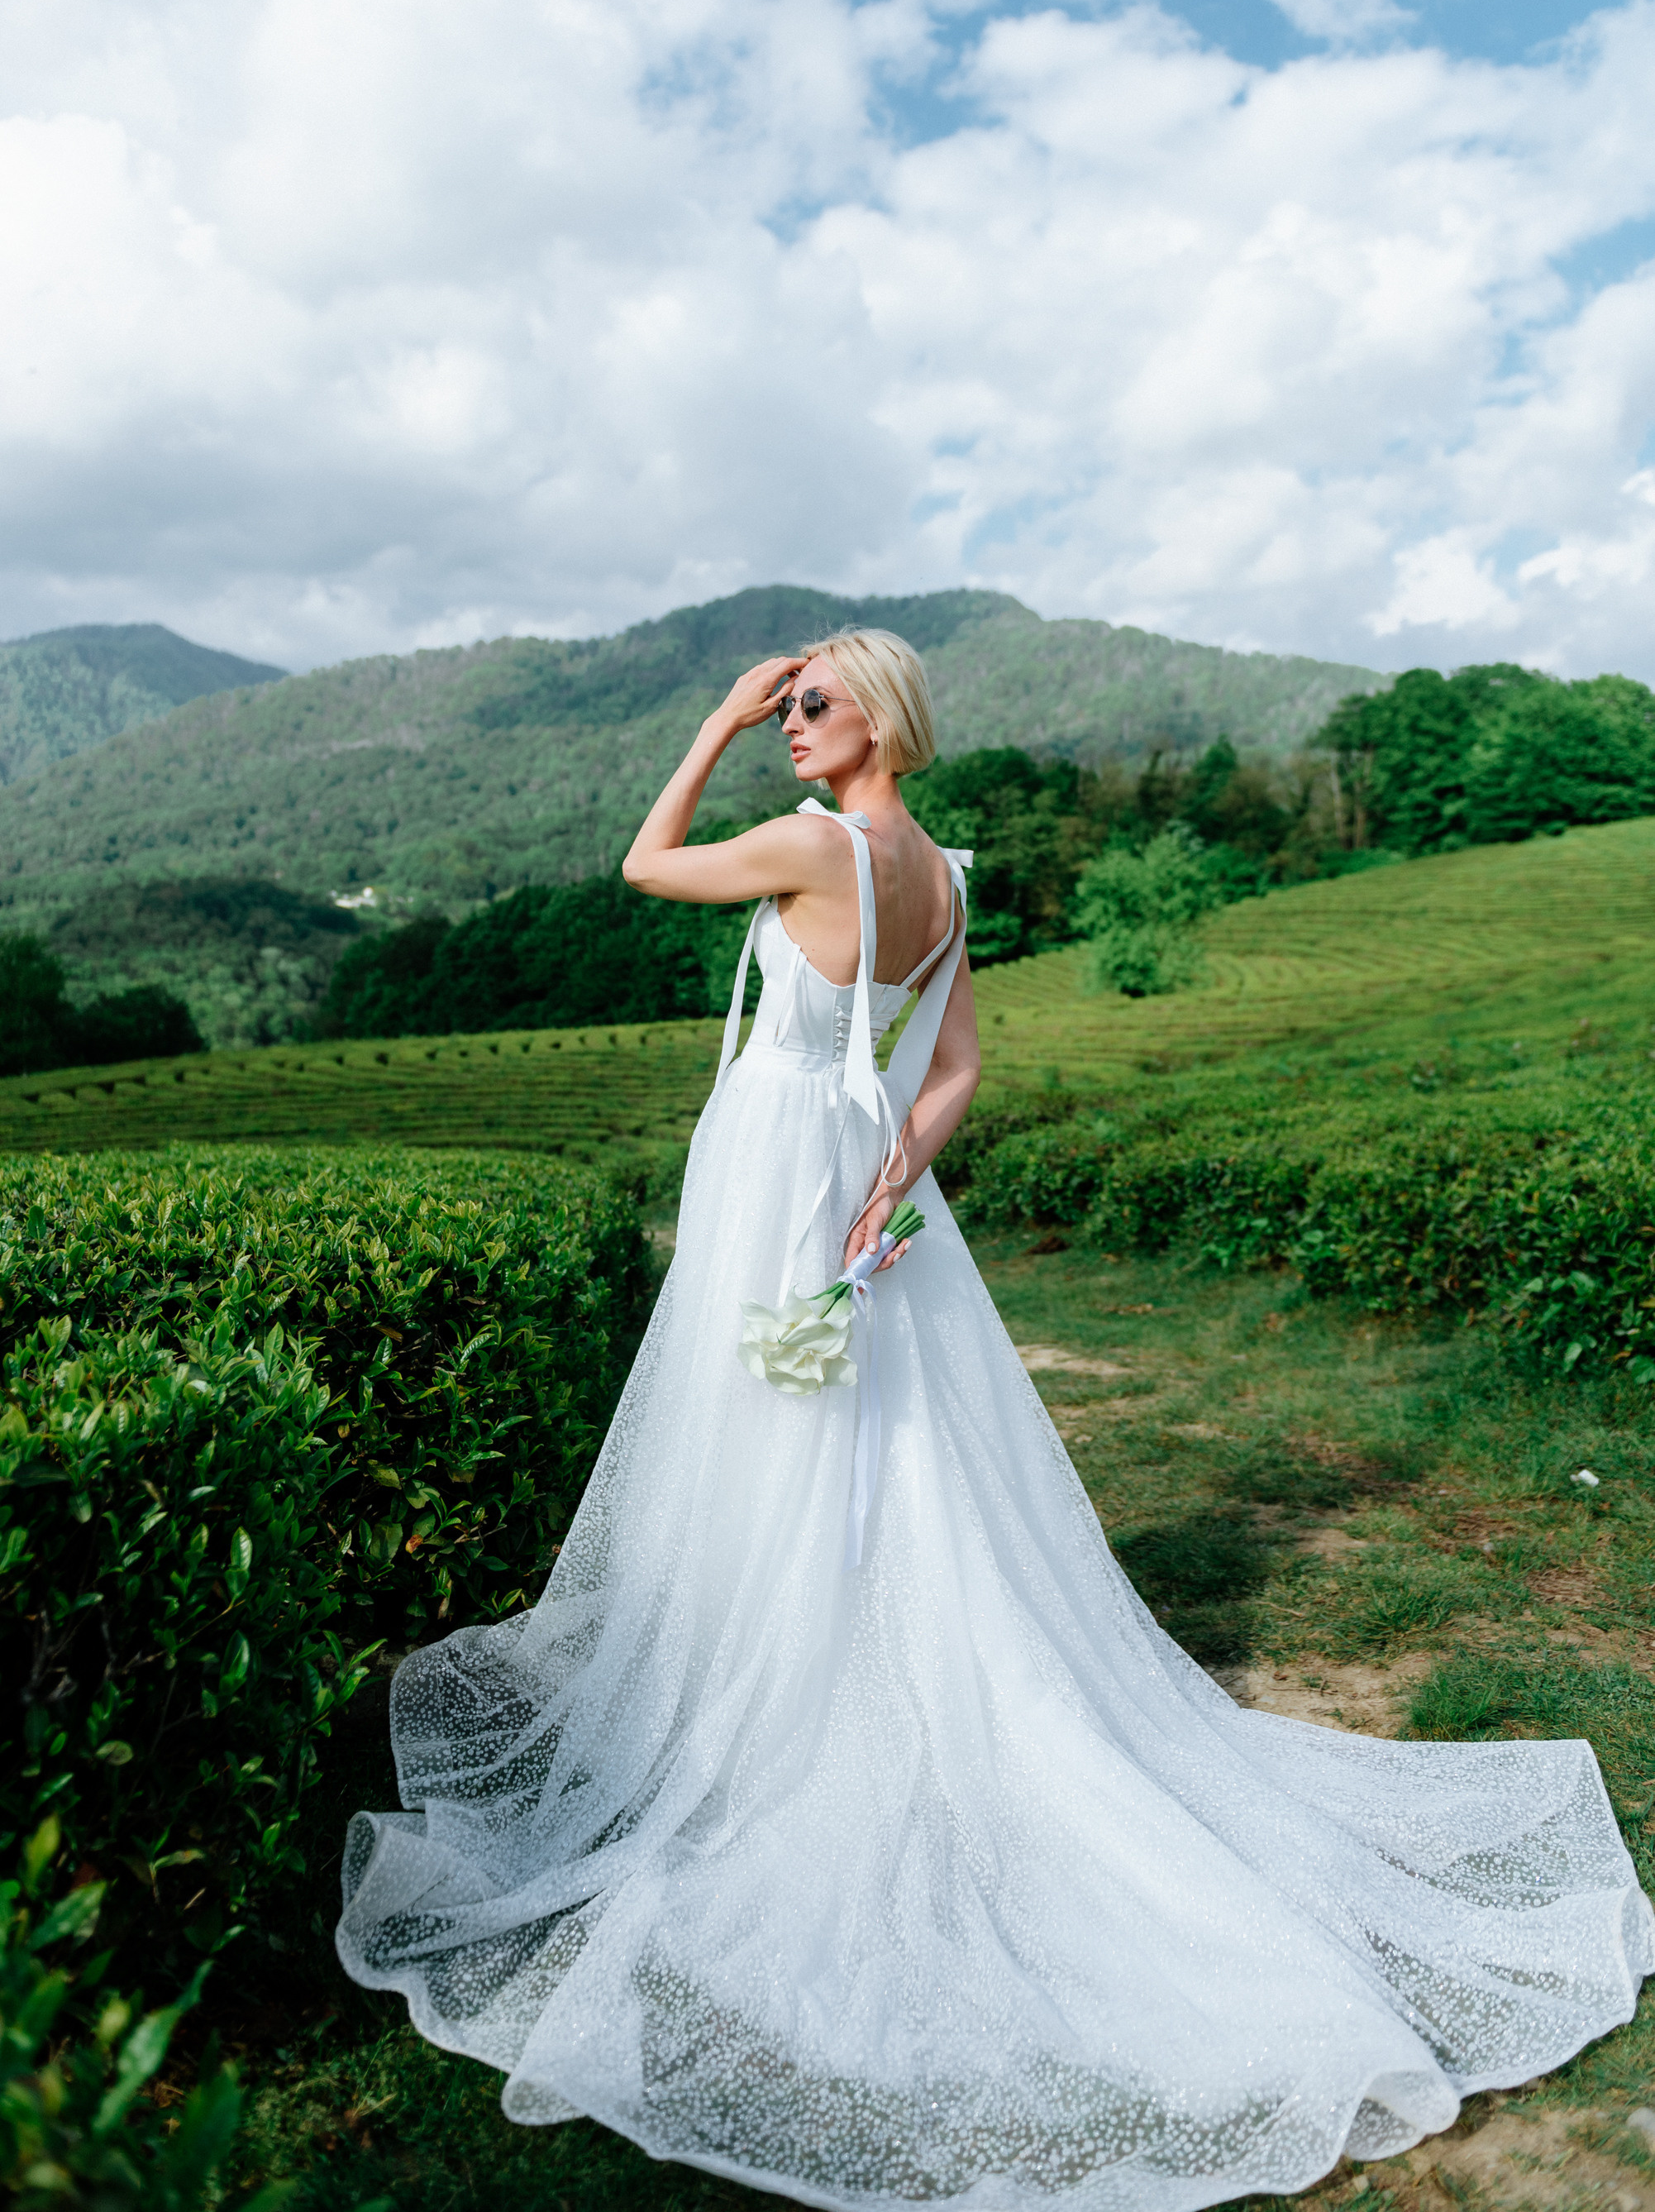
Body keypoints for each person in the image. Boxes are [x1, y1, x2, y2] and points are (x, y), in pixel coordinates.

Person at [337, 628, 1653, 2212]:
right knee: (888, 1440)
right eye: (778, 708)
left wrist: (708, 715)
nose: (786, 726)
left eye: (807, 705)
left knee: (776, 1427)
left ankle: (780, 1697)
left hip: (772, 1167)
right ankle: (839, 1651)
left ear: (873, 717)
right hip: (864, 1171)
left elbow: (639, 862)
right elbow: (953, 1062)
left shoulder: (806, 844)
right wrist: (898, 1160)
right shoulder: (940, 872)